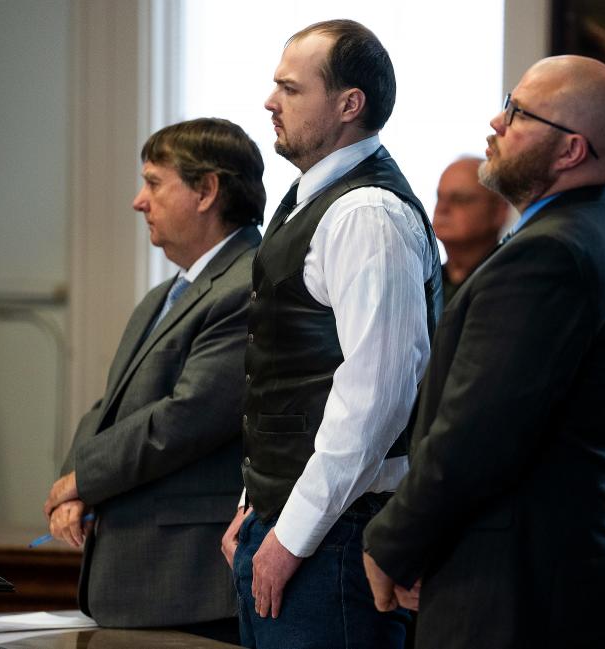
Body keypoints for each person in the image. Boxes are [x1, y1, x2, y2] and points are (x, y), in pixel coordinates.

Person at [361, 55, 605, 648]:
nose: (496, 121)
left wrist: (389, 544)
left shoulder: (549, 257)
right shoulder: (593, 231)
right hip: (540, 582)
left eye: (518, 113)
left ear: (571, 150)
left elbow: (474, 434)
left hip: (522, 597)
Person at [220, 19, 441, 649]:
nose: (270, 102)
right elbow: (286, 374)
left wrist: (288, 536)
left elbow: (373, 399)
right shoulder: (309, 199)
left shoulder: (366, 214)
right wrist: (254, 504)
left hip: (339, 537)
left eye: (290, 89)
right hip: (293, 520)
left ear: (349, 104)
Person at [43, 118, 265, 643]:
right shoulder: (165, 294)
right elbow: (109, 406)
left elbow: (187, 416)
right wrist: (75, 487)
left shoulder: (247, 283)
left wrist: (83, 480)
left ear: (207, 190)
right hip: (140, 577)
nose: (138, 201)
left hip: (188, 580)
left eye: (154, 182)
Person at [433, 157, 510, 303]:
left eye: (459, 199)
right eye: (439, 197)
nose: (442, 208)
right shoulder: (423, 284)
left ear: (499, 211)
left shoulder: (512, 283)